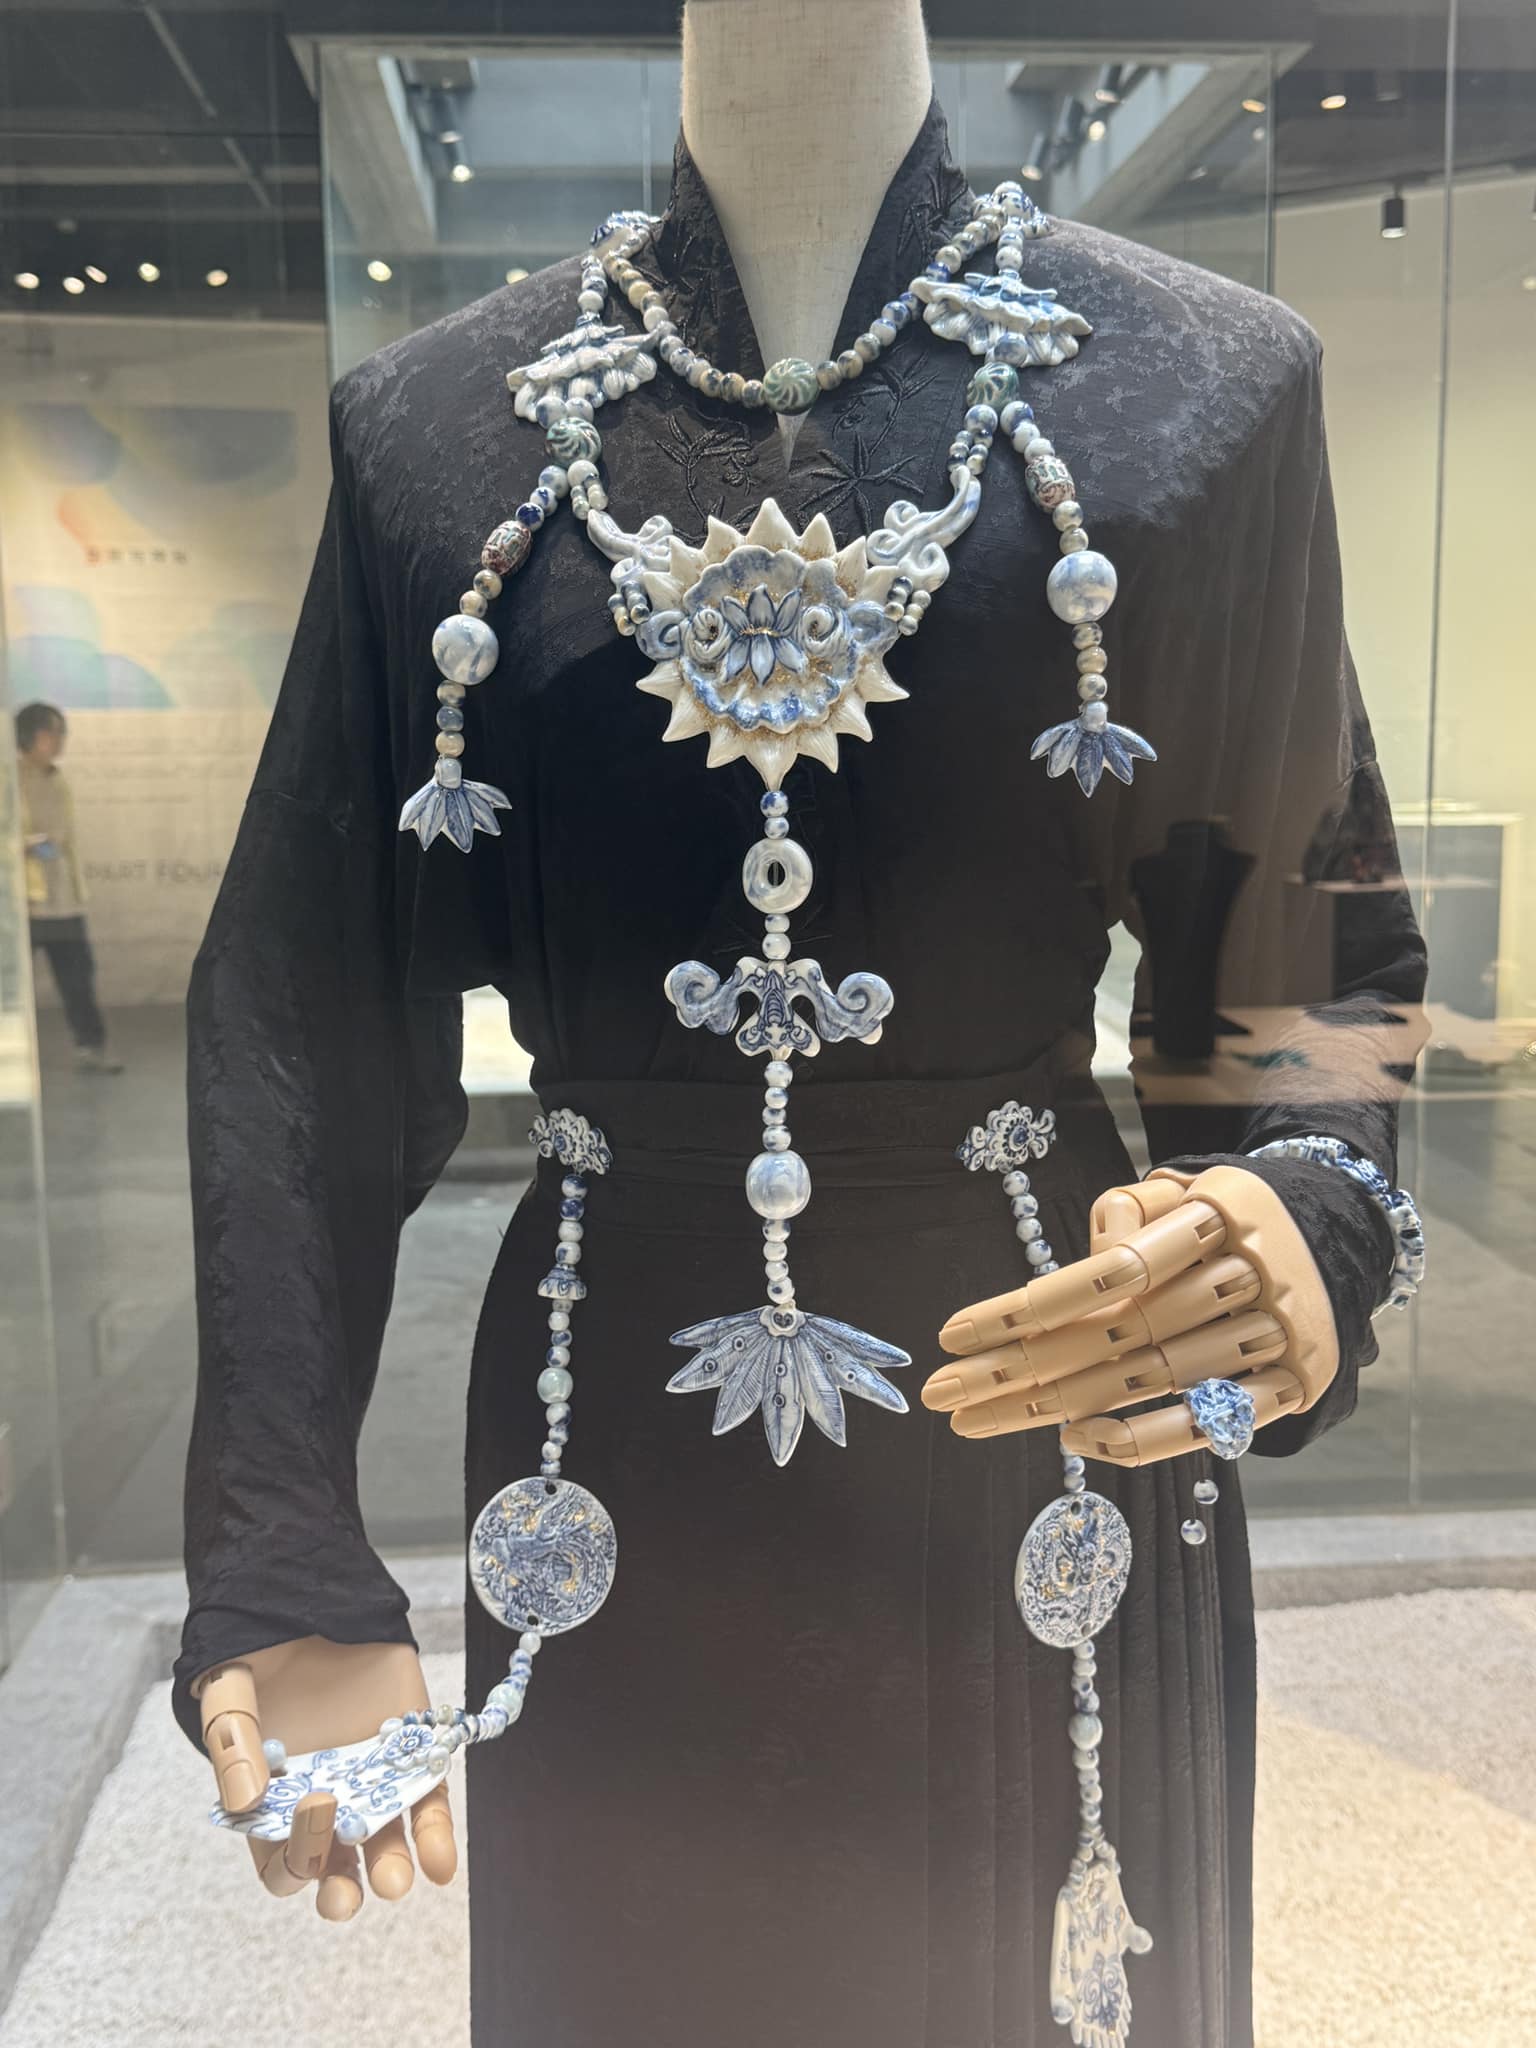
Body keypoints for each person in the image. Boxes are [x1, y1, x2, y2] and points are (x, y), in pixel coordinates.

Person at [16, 701, 123, 1073]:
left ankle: (92, 1047)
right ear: (29, 736)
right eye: (51, 732)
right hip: (23, 904)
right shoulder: (9, 779)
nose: (59, 740)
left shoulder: (58, 780)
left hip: (63, 901)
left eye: (61, 732)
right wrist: (25, 845)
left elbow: (64, 840)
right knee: (10, 986)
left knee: (78, 980)